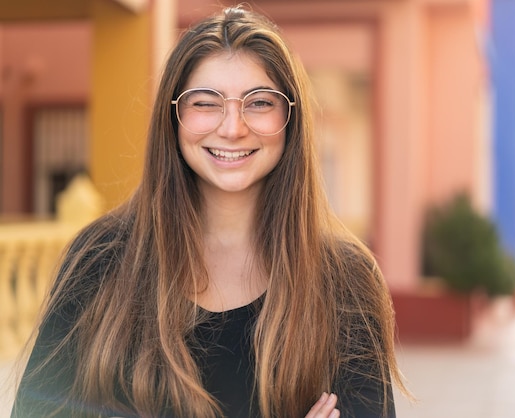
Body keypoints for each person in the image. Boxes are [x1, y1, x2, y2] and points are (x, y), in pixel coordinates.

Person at [11, 6, 409, 418]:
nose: (233, 127)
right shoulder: (99, 260)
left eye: (258, 103)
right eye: (205, 102)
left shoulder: (345, 280)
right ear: (174, 116)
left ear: (291, 118)